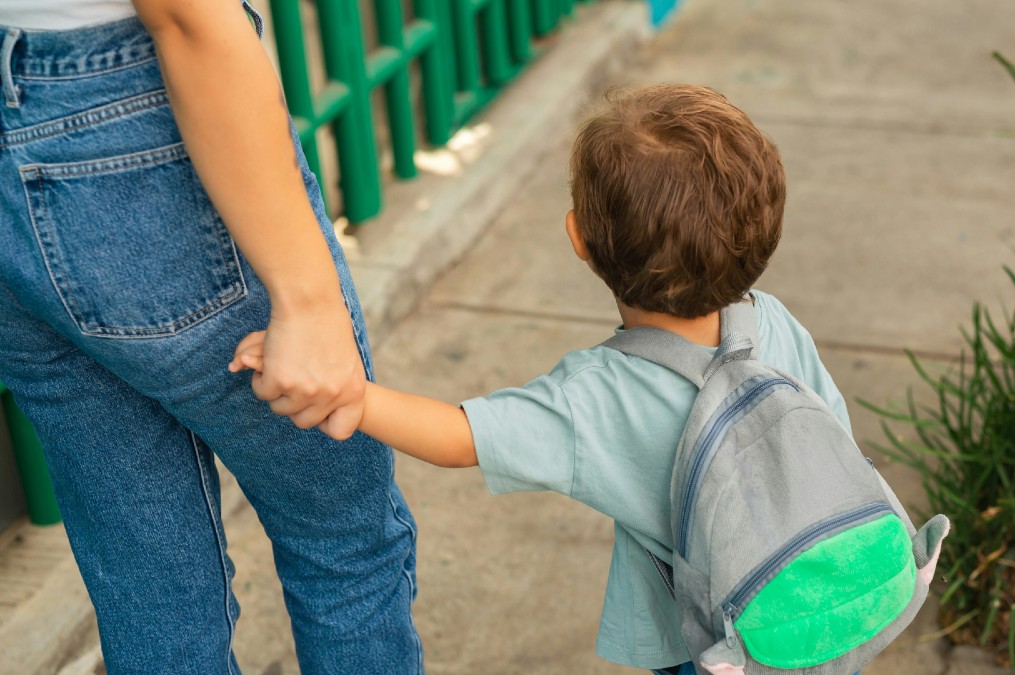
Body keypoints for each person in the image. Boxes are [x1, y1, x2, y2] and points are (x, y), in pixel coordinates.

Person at [235, 83, 855, 674]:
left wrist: (350, 395)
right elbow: (835, 431)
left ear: (578, 239)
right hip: (826, 590)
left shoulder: (601, 395)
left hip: (718, 639)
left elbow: (460, 436)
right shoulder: (770, 320)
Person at [0, 1, 422, 672]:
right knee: (344, 546)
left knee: (151, 594)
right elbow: (187, 15)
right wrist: (308, 301)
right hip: (123, 112)